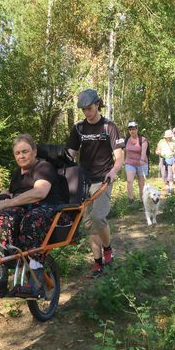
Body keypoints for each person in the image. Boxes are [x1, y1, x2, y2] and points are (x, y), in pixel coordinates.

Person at [0, 133, 66, 297]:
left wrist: (8, 203)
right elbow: (14, 196)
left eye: (25, 151)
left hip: (47, 209)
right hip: (25, 209)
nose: (21, 156)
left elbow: (40, 192)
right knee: (0, 218)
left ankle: (35, 277)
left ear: (34, 151)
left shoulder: (43, 167)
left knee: (31, 219)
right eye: (18, 153)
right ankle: (0, 277)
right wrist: (4, 198)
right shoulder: (16, 174)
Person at [67, 89, 125, 277]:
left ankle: (108, 249)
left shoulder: (109, 127)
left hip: (103, 179)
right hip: (84, 181)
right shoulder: (78, 129)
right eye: (84, 110)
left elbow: (119, 156)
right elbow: (70, 154)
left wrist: (114, 171)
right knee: (89, 223)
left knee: (99, 218)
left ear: (97, 105)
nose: (87, 113)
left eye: (90, 108)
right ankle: (97, 263)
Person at [124, 121, 149, 203]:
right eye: (130, 129)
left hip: (141, 163)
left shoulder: (143, 139)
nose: (132, 131)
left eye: (133, 129)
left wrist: (142, 159)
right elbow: (124, 150)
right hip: (130, 163)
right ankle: (131, 199)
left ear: (137, 129)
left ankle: (142, 200)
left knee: (141, 183)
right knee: (129, 181)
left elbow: (143, 152)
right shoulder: (126, 139)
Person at [156, 129, 175, 194]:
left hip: (170, 159)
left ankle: (171, 186)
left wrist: (174, 152)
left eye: (170, 137)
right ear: (165, 137)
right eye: (168, 137)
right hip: (162, 159)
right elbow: (157, 150)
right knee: (164, 173)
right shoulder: (161, 141)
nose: (169, 138)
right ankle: (167, 186)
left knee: (170, 173)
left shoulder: (174, 142)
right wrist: (158, 152)